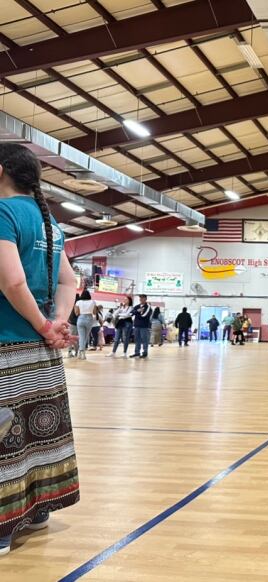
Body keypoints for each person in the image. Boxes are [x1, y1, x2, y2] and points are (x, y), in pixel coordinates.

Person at [0, 143, 80, 556]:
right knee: (38, 430)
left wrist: (45, 324)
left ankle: (2, 526)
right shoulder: (49, 222)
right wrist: (57, 323)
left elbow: (12, 283)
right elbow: (71, 282)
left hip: (7, 344)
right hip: (40, 352)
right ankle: (39, 508)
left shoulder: (3, 213)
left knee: (6, 435)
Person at [73, 289, 97, 359]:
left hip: (81, 318)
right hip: (89, 319)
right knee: (85, 337)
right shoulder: (93, 302)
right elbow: (94, 312)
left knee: (81, 337)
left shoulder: (78, 302)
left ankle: (81, 352)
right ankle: (82, 353)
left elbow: (76, 313)